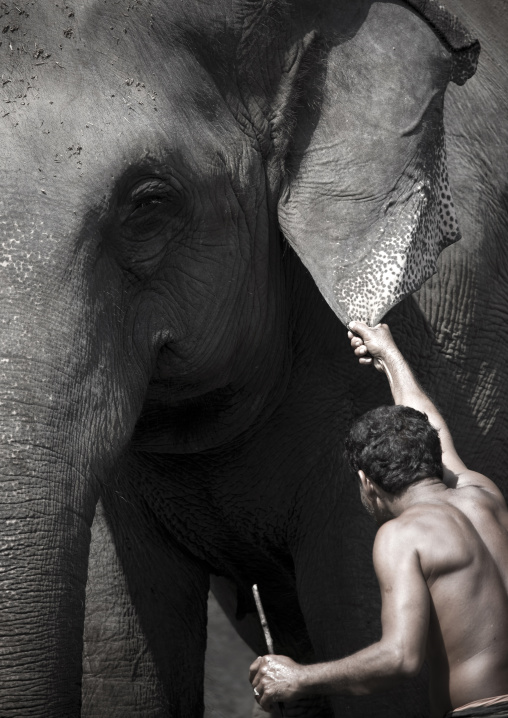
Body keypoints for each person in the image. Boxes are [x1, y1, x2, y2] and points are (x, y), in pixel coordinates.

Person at [249, 321, 508, 718]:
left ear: (366, 482)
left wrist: (299, 677)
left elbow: (401, 657)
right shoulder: (481, 492)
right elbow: (430, 421)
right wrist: (388, 354)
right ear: (431, 456)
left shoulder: (402, 535)